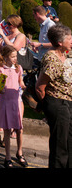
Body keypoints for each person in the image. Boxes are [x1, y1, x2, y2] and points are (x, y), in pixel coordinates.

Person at [35, 24, 72, 168]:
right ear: (60, 42)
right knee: (59, 144)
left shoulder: (65, 53)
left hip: (68, 102)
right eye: (69, 38)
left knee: (69, 142)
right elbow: (40, 87)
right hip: (57, 103)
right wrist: (47, 108)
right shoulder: (52, 60)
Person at [0, 45, 28, 168]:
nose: (15, 58)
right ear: (5, 57)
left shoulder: (18, 68)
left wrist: (25, 86)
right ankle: (7, 157)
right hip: (6, 101)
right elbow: (0, 86)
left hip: (17, 101)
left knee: (19, 129)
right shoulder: (1, 69)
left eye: (16, 56)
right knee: (8, 130)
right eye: (12, 56)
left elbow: (20, 82)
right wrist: (2, 88)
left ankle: (19, 153)